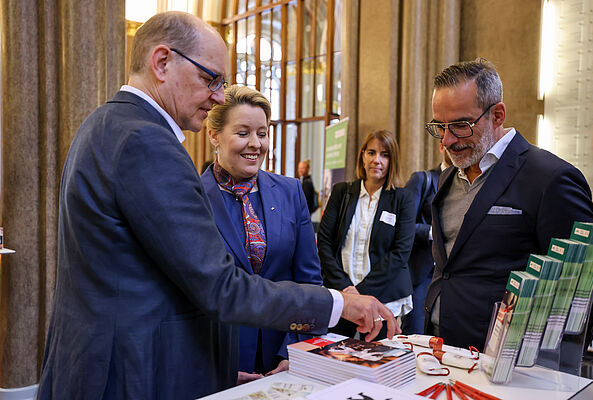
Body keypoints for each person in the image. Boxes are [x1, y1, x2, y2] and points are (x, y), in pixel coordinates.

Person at [37, 12, 399, 399]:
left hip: (103, 365)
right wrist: (339, 303)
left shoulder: (103, 122)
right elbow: (222, 288)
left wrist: (215, 371)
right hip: (128, 375)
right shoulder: (148, 142)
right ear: (162, 62)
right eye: (210, 79)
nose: (217, 96)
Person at [423, 58, 593, 352]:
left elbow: (583, 288)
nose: (448, 140)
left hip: (506, 360)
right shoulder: (448, 177)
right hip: (442, 348)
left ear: (497, 115)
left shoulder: (550, 178)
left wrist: (546, 364)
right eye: (440, 126)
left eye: (461, 125)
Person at [200, 86, 322, 384]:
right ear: (214, 135)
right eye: (243, 133)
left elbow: (309, 282)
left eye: (263, 133)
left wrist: (294, 351)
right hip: (217, 361)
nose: (255, 144)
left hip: (283, 359)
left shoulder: (291, 192)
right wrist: (216, 367)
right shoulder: (192, 197)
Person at [318, 129, 416, 341]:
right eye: (371, 152)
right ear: (362, 156)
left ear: (392, 160)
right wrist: (346, 289)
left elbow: (400, 253)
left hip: (383, 298)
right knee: (334, 354)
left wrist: (362, 292)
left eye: (384, 155)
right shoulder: (342, 192)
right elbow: (324, 242)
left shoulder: (403, 199)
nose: (376, 160)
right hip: (343, 295)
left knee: (376, 358)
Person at [401, 143, 451, 334]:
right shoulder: (423, 179)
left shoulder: (468, 185)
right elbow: (403, 225)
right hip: (423, 275)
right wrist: (434, 232)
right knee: (415, 334)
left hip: (452, 277)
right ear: (441, 147)